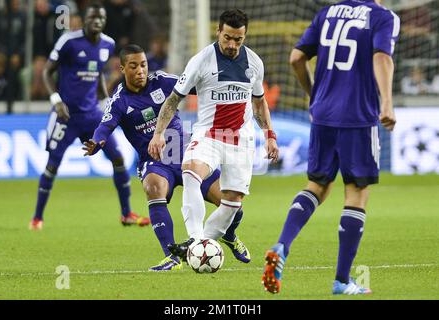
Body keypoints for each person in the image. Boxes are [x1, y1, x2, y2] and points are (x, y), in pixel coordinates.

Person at [262, 0, 399, 295]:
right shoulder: (382, 16)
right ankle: (341, 280)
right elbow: (381, 57)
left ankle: (281, 245)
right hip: (358, 116)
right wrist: (387, 102)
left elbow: (296, 58)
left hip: (323, 114)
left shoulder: (327, 13)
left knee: (318, 184)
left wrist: (314, 95)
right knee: (357, 191)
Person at [83, 45, 251, 271]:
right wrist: (97, 140)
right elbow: (105, 125)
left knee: (233, 203)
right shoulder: (119, 100)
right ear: (122, 68)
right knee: (153, 187)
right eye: (133, 66)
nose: (140, 70)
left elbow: (196, 86)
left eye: (143, 64)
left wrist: (224, 84)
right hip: (155, 162)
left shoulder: (162, 81)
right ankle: (171, 256)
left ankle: (229, 235)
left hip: (188, 153)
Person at [148, 9, 279, 259]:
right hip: (209, 135)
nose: (232, 44)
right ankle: (196, 238)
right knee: (190, 170)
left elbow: (259, 103)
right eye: (227, 37)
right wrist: (159, 133)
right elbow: (173, 99)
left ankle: (202, 244)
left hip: (241, 141)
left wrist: (269, 135)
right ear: (218, 31)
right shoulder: (201, 61)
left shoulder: (254, 63)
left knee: (232, 203)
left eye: (238, 39)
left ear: (245, 36)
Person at [29, 2, 149, 230]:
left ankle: (127, 214)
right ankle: (37, 218)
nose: (97, 22)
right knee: (52, 166)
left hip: (92, 115)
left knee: (118, 159)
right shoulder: (69, 42)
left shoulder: (108, 44)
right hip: (66, 116)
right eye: (93, 17)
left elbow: (98, 74)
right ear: (85, 19)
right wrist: (56, 100)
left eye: (101, 19)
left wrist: (106, 102)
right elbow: (47, 71)